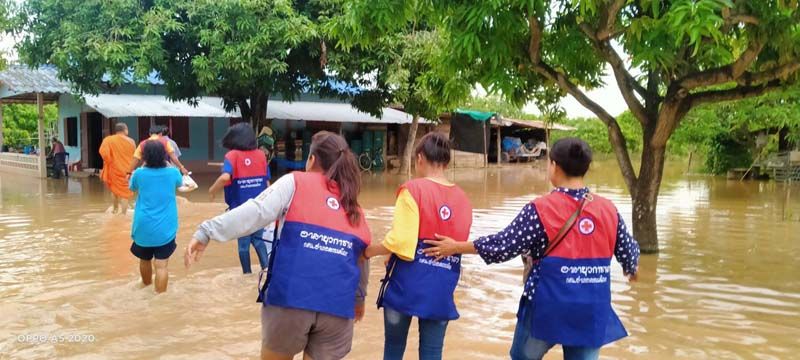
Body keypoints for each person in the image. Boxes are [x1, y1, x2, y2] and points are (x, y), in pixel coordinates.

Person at [424, 138, 640, 360]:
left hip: (546, 304)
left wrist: (456, 247)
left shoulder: (540, 209)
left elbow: (503, 246)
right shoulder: (609, 210)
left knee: (522, 357)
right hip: (591, 308)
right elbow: (628, 252)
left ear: (554, 166)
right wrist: (631, 269)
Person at [185, 131, 371, 360]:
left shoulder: (295, 182)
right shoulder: (353, 202)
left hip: (291, 299)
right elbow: (362, 256)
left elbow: (255, 212)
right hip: (338, 307)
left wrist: (207, 231)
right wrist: (359, 299)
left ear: (311, 160)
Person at [363, 132, 473, 360]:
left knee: (393, 348)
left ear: (420, 158)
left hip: (406, 284)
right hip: (441, 289)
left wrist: (370, 251)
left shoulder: (412, 189)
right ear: (447, 162)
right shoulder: (463, 199)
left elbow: (402, 241)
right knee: (432, 353)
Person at [208, 123, 271, 274]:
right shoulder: (261, 155)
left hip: (240, 209)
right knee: (258, 241)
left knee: (243, 245)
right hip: (259, 207)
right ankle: (267, 270)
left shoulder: (232, 155)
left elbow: (224, 178)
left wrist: (212, 190)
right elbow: (267, 183)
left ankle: (247, 275)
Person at [129, 140, 183, 293]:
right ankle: (160, 298)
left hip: (143, 225)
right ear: (164, 155)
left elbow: (132, 187)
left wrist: (142, 166)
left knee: (144, 260)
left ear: (144, 156)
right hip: (166, 226)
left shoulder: (139, 173)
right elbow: (180, 183)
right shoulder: (172, 172)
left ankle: (145, 287)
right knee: (161, 265)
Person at [99, 123, 136, 214]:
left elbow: (103, 152)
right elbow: (135, 156)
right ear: (125, 130)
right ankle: (123, 214)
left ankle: (115, 210)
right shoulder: (131, 141)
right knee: (125, 195)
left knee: (114, 190)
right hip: (127, 170)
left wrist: (110, 162)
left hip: (114, 169)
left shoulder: (108, 140)